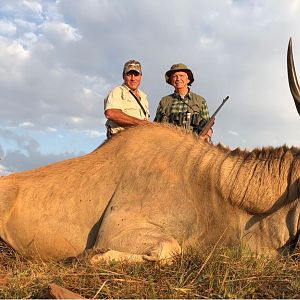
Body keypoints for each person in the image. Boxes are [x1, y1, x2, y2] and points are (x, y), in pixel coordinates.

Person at [154, 63, 213, 142]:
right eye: (175, 76)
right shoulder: (164, 101)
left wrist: (207, 136)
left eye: (181, 76)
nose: (178, 79)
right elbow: (156, 126)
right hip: (168, 145)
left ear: (188, 79)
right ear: (171, 80)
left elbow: (208, 127)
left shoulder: (200, 101)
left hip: (192, 146)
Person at [104, 60, 150, 138]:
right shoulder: (117, 91)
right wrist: (140, 123)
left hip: (139, 140)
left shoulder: (143, 97)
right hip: (120, 140)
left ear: (141, 77)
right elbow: (111, 113)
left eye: (136, 75)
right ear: (123, 76)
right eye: (129, 75)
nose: (133, 78)